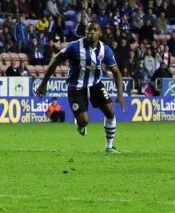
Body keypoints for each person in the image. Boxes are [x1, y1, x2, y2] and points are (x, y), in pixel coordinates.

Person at [35, 22, 126, 153]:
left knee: (110, 111)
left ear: (100, 33)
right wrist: (44, 84)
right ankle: (80, 123)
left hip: (95, 83)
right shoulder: (74, 47)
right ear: (85, 32)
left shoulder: (105, 50)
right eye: (89, 30)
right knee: (84, 121)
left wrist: (120, 95)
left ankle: (109, 146)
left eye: (95, 30)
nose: (92, 32)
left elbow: (116, 72)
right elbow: (55, 60)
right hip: (75, 85)